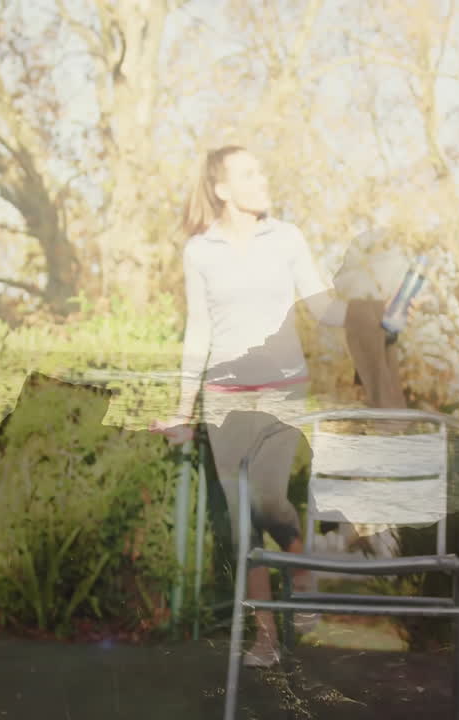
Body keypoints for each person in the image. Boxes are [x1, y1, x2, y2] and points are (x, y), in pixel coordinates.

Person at [150, 145, 349, 668]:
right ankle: (266, 637)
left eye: (262, 170)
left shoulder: (286, 238)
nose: (263, 178)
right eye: (250, 173)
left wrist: (378, 315)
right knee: (241, 524)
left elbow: (324, 306)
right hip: (224, 396)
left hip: (283, 388)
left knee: (269, 502)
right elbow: (199, 331)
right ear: (221, 189)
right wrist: (182, 407)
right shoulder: (200, 251)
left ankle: (301, 570)